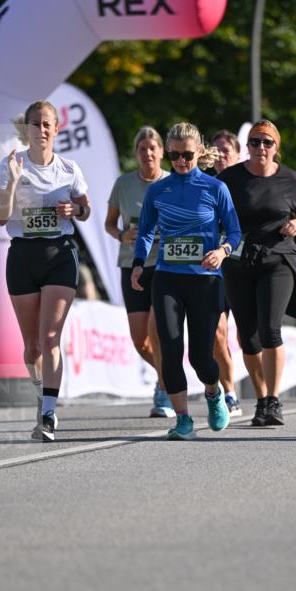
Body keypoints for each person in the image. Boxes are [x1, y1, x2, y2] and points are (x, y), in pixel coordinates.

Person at [131, 122, 242, 440]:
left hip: (205, 281)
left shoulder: (215, 188)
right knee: (168, 348)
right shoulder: (158, 190)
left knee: (200, 357)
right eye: (175, 155)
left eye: (188, 155)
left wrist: (222, 251)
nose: (181, 161)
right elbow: (146, 231)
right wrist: (138, 264)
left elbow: (234, 231)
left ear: (199, 153)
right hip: (168, 278)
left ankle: (213, 391)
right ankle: (183, 420)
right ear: (168, 153)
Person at [0, 100, 90, 442]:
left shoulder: (69, 168)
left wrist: (74, 209)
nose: (42, 130)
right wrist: (11, 184)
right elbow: (1, 217)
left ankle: (48, 413)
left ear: (57, 129)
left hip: (59, 255)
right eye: (36, 124)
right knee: (32, 347)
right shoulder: (11, 165)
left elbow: (86, 210)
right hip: (23, 256)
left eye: (48, 124)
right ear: (28, 129)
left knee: (50, 338)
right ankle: (41, 393)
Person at [218, 119, 296, 427]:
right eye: (255, 141)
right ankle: (261, 400)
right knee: (248, 337)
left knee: (270, 330)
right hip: (238, 262)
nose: (261, 147)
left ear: (276, 147)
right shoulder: (230, 178)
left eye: (267, 142)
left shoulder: (290, 179)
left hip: (277, 259)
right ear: (247, 146)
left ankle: (273, 399)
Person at [105, 126, 173, 417]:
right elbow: (109, 224)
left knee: (157, 330)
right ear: (135, 153)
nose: (148, 153)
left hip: (165, 264)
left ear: (162, 151)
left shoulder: (172, 182)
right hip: (131, 264)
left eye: (152, 148)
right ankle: (169, 373)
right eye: (142, 149)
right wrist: (122, 235)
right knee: (140, 341)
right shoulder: (124, 184)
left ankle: (165, 391)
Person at [212, 129, 243, 417]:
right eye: (216, 150)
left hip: (244, 267)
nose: (220, 155)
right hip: (216, 267)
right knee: (217, 333)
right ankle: (230, 392)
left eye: (226, 151)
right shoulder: (206, 185)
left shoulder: (248, 185)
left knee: (249, 337)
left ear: (237, 155)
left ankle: (266, 394)